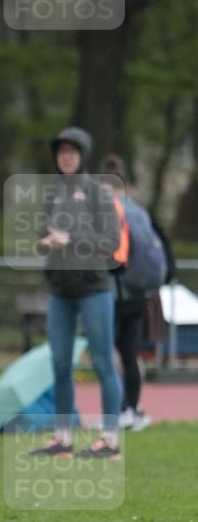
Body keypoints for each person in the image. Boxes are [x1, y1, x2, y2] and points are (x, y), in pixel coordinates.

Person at [31, 127, 123, 458]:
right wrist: (45, 242)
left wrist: (72, 239)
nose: (66, 156)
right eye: (61, 151)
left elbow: (111, 242)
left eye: (72, 151)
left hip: (93, 289)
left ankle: (110, 441)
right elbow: (43, 235)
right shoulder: (53, 194)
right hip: (60, 290)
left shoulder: (98, 193)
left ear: (83, 155)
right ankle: (62, 439)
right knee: (59, 363)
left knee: (102, 363)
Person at [98, 154, 168, 431]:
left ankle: (119, 409)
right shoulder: (139, 211)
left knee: (110, 353)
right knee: (130, 352)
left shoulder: (108, 211)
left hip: (114, 294)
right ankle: (132, 409)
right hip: (140, 293)